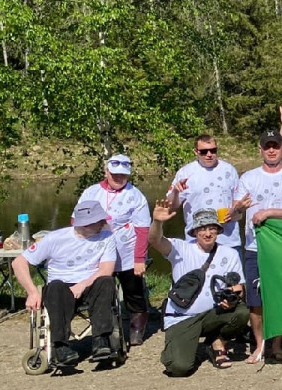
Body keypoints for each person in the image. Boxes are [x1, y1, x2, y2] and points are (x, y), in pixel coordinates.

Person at [231, 129, 282, 363]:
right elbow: (233, 215)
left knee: (280, 297)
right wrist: (239, 209)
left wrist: (270, 212)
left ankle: (277, 345)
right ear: (260, 149)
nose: (272, 150)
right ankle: (259, 345)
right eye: (267, 146)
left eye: (276, 146)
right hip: (255, 247)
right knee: (256, 301)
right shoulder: (248, 178)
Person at [13, 200, 118, 367]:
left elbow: (106, 269)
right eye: (100, 221)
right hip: (61, 288)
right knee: (55, 286)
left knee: (106, 281)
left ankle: (101, 342)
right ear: (85, 224)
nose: (104, 223)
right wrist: (32, 292)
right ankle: (60, 347)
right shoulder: (54, 239)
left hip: (91, 284)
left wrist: (82, 285)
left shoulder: (107, 237)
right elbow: (19, 263)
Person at [149, 203, 248, 376]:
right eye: (202, 228)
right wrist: (157, 222)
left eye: (212, 228)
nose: (208, 233)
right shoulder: (180, 249)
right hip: (182, 317)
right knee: (179, 368)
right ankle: (181, 344)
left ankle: (217, 342)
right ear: (194, 232)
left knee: (241, 313)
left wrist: (233, 298)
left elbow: (238, 287)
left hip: (212, 314)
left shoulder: (230, 254)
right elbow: (155, 240)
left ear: (218, 230)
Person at [76, 154, 152, 345]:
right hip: (98, 250)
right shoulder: (91, 192)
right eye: (115, 174)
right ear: (106, 171)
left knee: (133, 290)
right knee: (102, 289)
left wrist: (139, 258)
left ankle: (137, 327)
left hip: (126, 250)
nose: (119, 178)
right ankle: (105, 328)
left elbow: (143, 230)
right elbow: (75, 221)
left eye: (123, 175)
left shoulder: (135, 195)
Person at [166, 134, 242, 247]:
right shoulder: (185, 172)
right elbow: (170, 207)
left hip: (228, 241)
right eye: (204, 152)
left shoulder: (229, 170)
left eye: (213, 150)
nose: (209, 155)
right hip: (196, 243)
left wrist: (234, 212)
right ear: (196, 152)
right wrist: (176, 192)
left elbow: (239, 206)